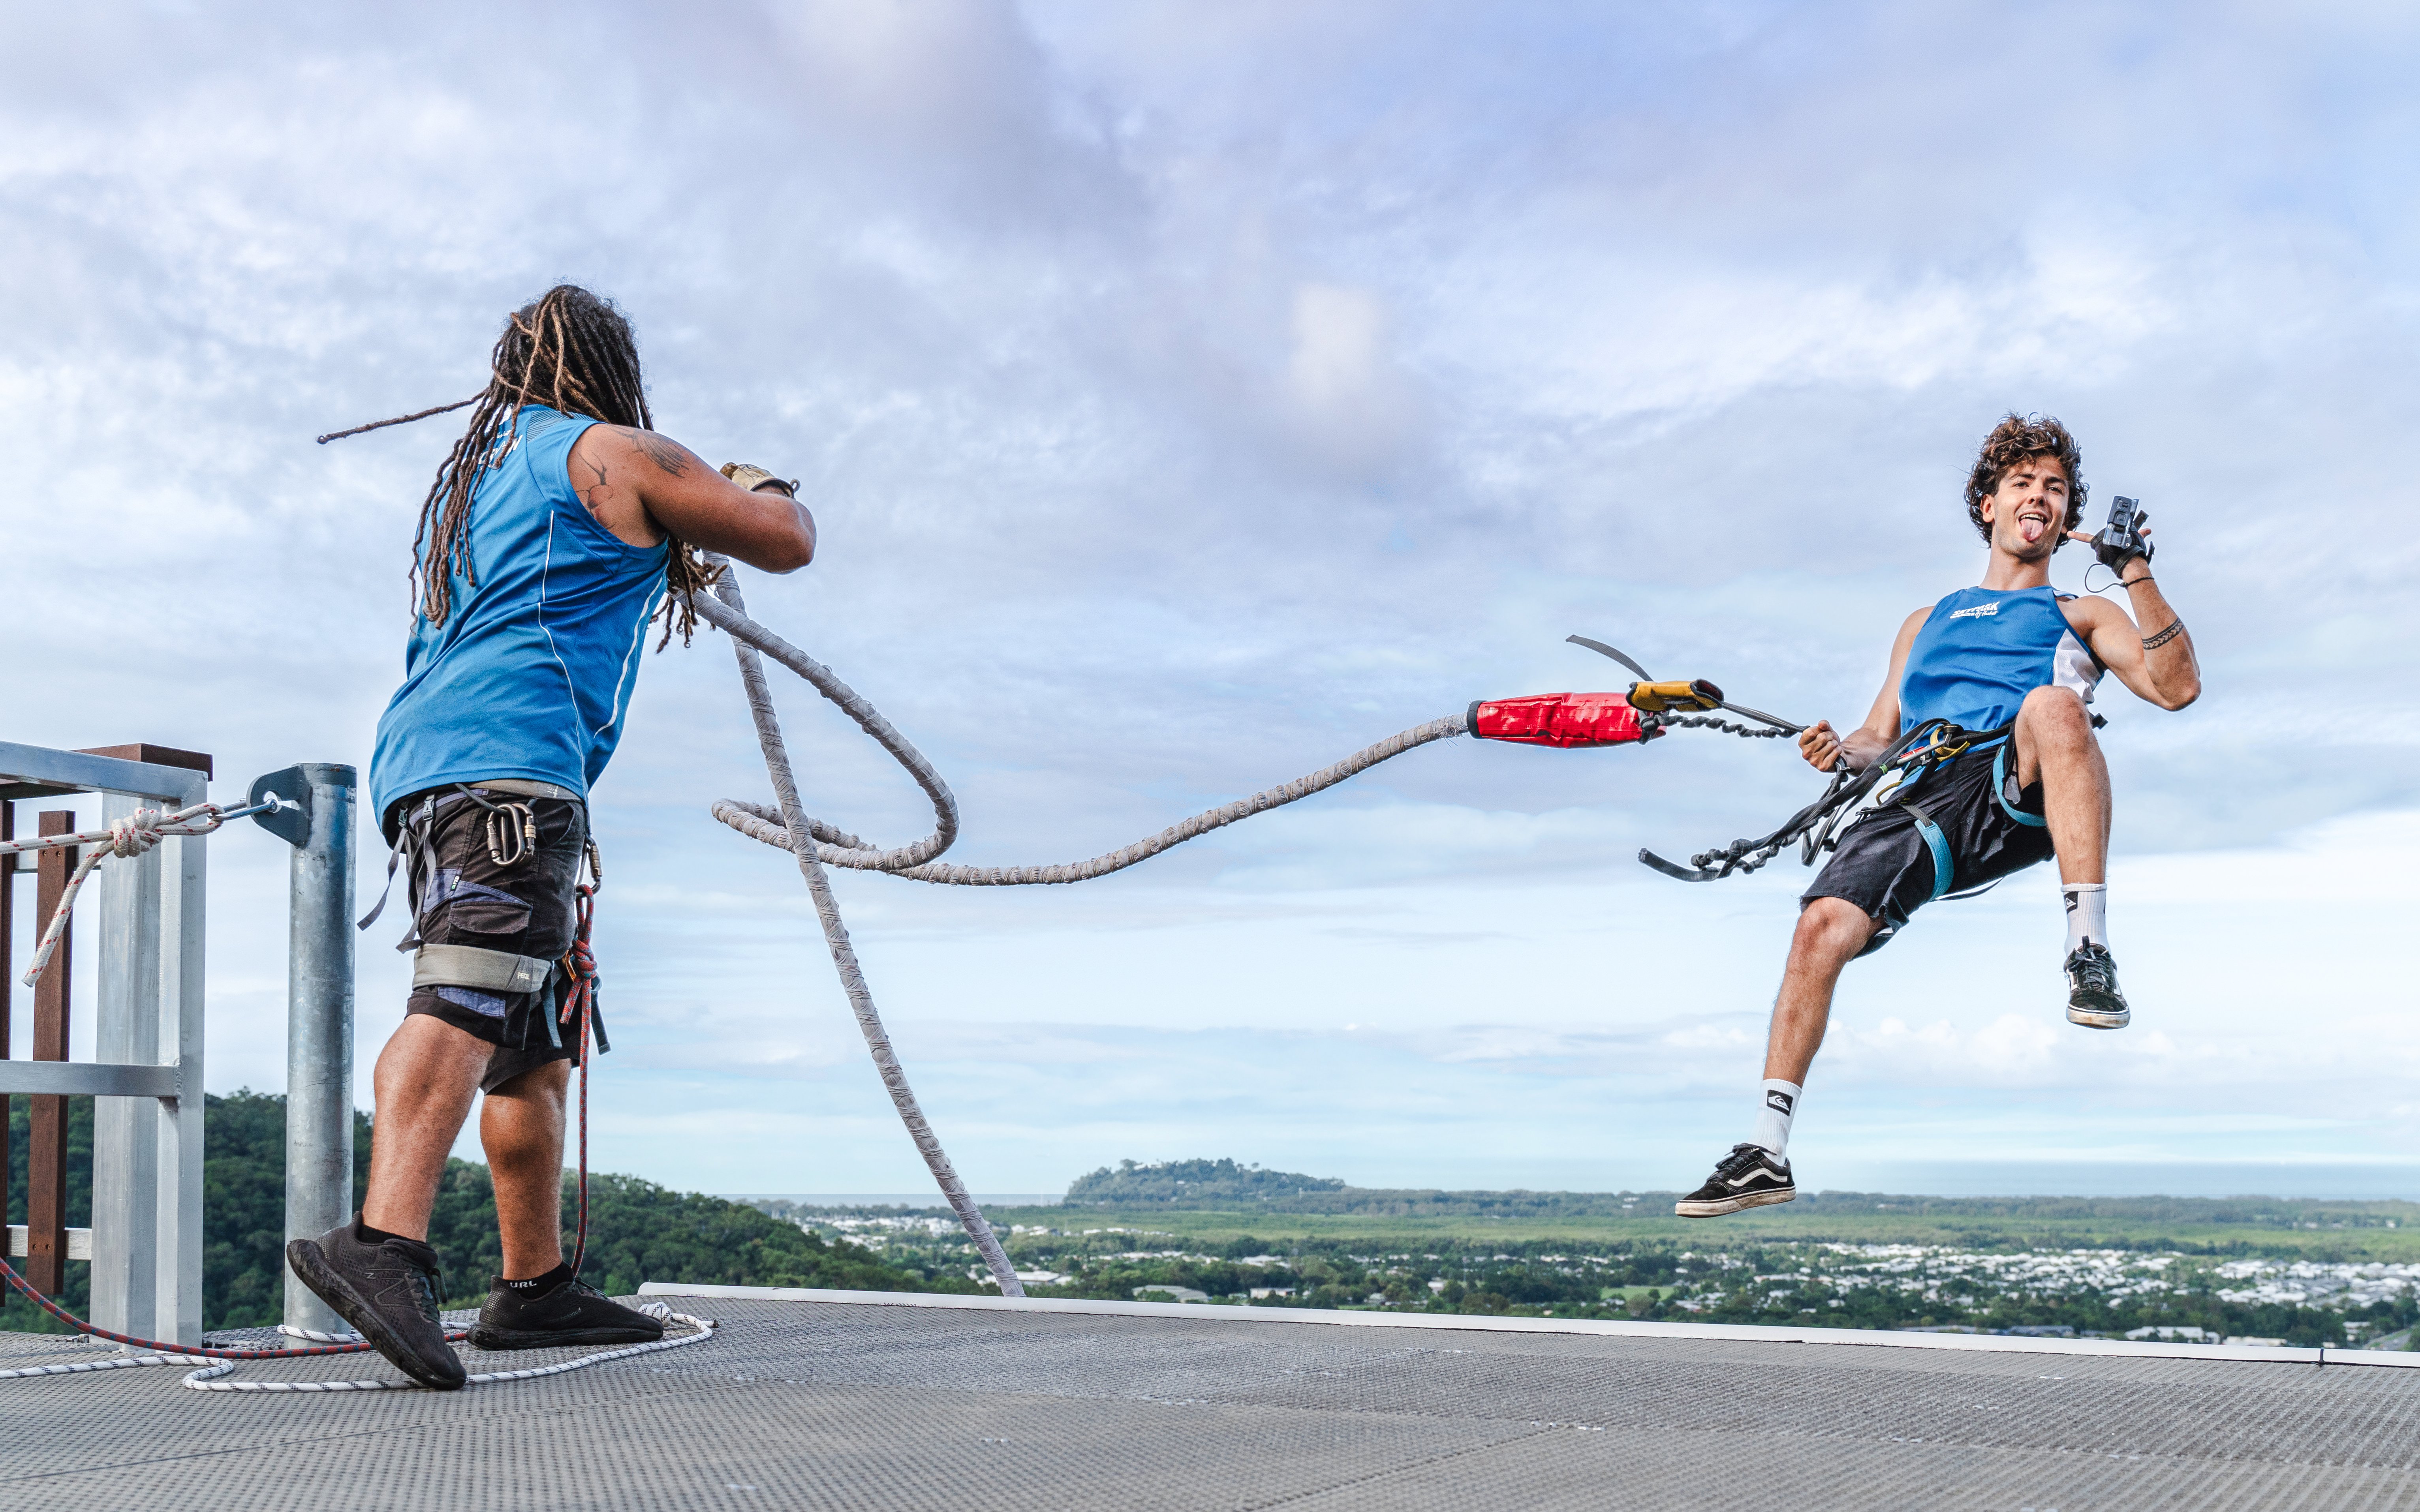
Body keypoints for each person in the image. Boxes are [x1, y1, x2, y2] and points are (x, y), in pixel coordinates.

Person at [287, 285, 816, 1387]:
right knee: (469, 994)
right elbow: (785, 541)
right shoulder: (614, 451)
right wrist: (753, 477)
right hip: (511, 771)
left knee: (531, 1037)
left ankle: (532, 1288)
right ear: (609, 369)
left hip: (435, 768)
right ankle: (382, 1243)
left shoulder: (483, 480)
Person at [1676, 415, 2200, 1218]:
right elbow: (1874, 739)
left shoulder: (2079, 612)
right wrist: (1834, 751)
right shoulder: (1925, 623)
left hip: (2011, 773)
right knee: (1820, 927)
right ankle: (1765, 1152)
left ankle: (2088, 950)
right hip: (1918, 791)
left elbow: (2176, 688)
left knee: (2055, 705)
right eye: (2023, 483)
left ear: (2065, 517)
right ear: (1988, 505)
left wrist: (2131, 569)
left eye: (2055, 487)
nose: (2040, 496)